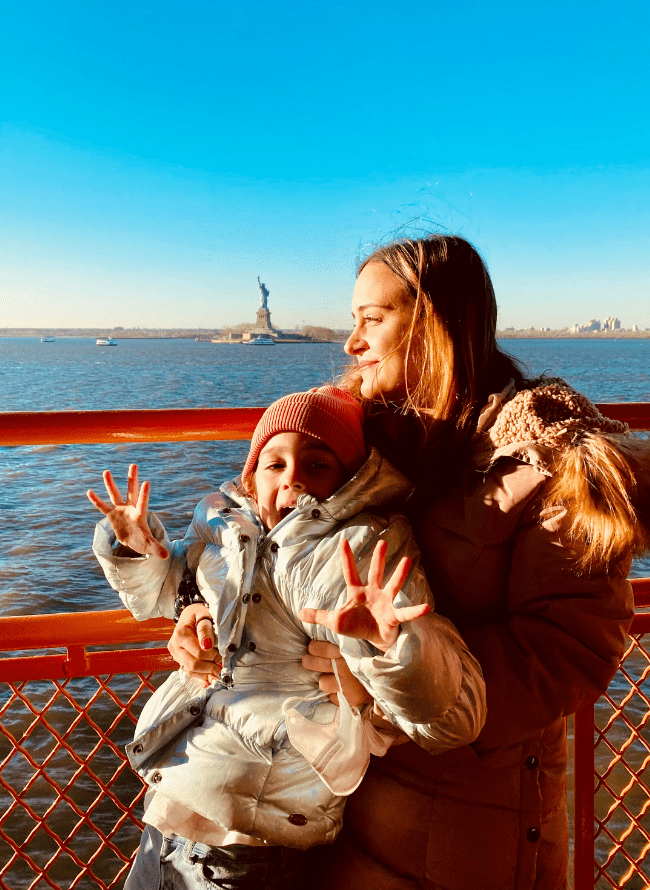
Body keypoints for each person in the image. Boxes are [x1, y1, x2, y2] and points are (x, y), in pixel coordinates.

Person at [170, 235, 649, 890]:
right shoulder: (357, 436)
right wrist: (194, 606)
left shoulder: (546, 461)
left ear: (435, 326)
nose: (350, 341)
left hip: (471, 829)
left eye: (372, 318)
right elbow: (252, 523)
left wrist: (384, 681)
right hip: (343, 814)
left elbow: (570, 649)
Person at [88, 385, 486, 890]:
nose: (292, 477)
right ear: (252, 479)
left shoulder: (355, 551)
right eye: (274, 464)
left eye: (316, 464)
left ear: (350, 480)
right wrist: (141, 550)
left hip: (247, 844)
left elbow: (457, 717)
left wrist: (389, 647)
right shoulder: (227, 530)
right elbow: (170, 590)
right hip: (171, 807)